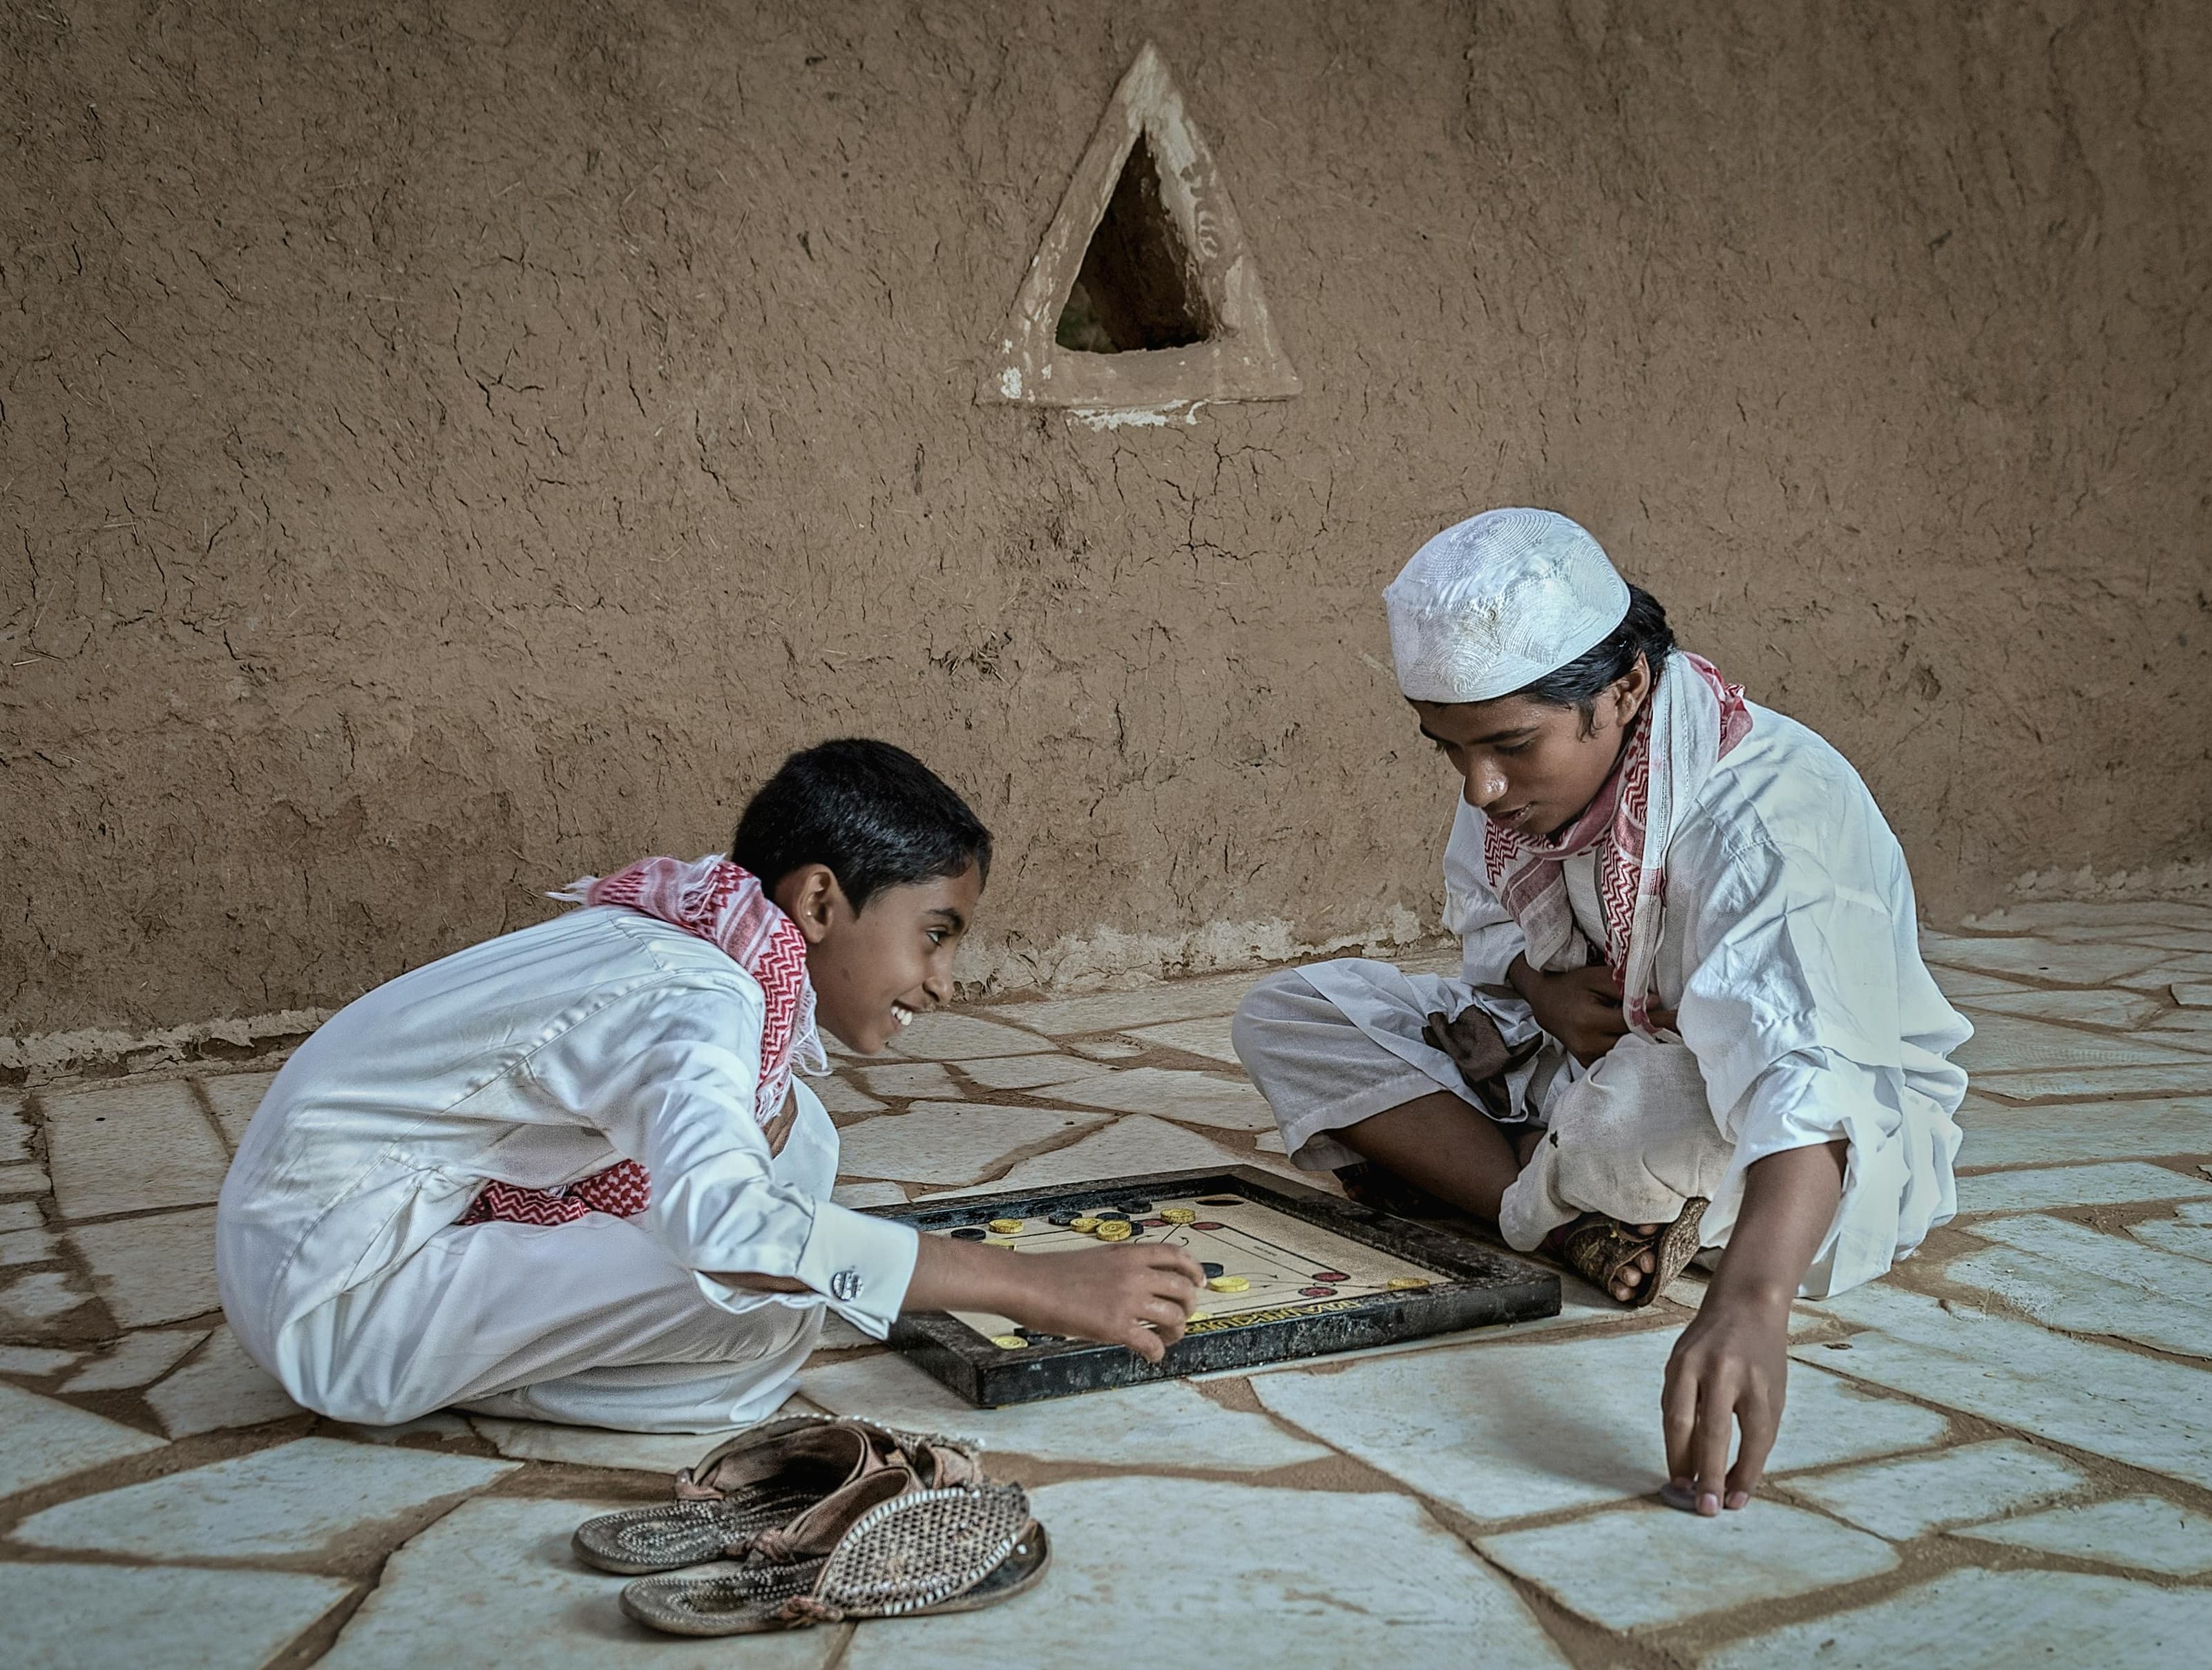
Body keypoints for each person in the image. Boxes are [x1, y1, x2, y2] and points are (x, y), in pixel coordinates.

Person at [1232, 508, 1968, 1518]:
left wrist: (1753, 1303)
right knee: (1291, 1012)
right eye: (1449, 750)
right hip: (1568, 1074)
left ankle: (1530, 1195)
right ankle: (1562, 1216)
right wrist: (1540, 994)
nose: (1480, 785)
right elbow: (1492, 938)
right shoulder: (1516, 776)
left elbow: (1809, 1083)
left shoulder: (1762, 821)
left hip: (1754, 1131)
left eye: (1507, 747)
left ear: (1625, 689)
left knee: (1646, 1099)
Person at [217, 738, 1203, 1433]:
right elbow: (730, 1237)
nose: (943, 980)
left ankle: (494, 1347)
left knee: (794, 1134)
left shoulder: (697, 950)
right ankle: (438, 1388)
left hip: (329, 1236)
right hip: (334, 1302)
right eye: (935, 933)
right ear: (821, 898)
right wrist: (1033, 1282)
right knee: (765, 1305)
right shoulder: (693, 998)